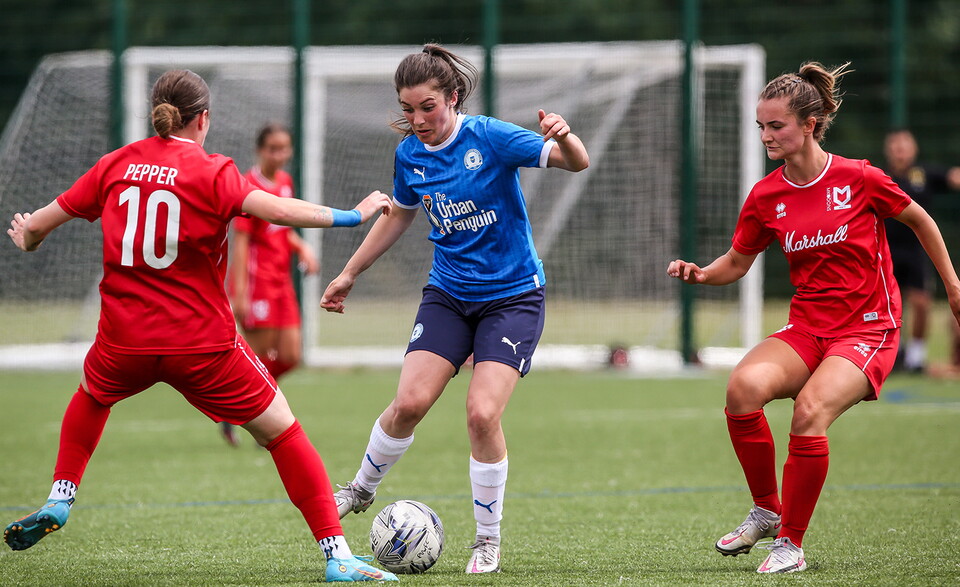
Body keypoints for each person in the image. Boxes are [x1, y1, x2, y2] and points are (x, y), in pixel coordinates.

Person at [3, 69, 397, 583]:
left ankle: (60, 496)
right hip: (202, 345)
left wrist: (25, 238)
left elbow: (34, 227)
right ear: (203, 118)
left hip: (124, 341)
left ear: (156, 113)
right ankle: (337, 556)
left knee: (92, 396)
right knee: (283, 432)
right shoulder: (214, 172)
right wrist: (352, 215)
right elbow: (276, 209)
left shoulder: (114, 165)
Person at [667, 62, 960, 574]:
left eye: (775, 125)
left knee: (809, 412)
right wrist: (701, 274)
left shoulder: (860, 177)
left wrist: (954, 288)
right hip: (807, 328)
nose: (765, 135)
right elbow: (737, 262)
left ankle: (792, 545)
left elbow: (921, 219)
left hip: (869, 326)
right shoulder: (766, 195)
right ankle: (766, 510)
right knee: (741, 390)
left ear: (810, 123)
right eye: (760, 125)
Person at [320, 44, 589, 574]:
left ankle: (487, 540)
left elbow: (575, 163)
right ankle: (360, 488)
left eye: (428, 107)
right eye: (408, 108)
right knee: (409, 404)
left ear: (453, 97)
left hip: (512, 297)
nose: (418, 120)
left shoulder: (489, 136)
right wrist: (350, 273)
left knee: (482, 413)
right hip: (448, 294)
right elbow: (398, 215)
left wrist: (566, 135)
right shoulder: (409, 154)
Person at [220, 123, 317, 447]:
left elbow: (282, 227)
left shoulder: (285, 182)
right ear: (260, 150)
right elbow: (242, 242)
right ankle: (264, 420)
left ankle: (237, 406)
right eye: (273, 148)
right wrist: (240, 293)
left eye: (284, 148)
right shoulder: (248, 186)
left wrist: (301, 246)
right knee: (257, 358)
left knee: (290, 355)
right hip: (257, 283)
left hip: (282, 282)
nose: (279, 155)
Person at [881, 128, 960, 373]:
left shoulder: (924, 174)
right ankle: (893, 354)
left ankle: (916, 357)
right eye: (895, 145)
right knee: (887, 304)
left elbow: (953, 176)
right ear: (888, 150)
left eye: (905, 145)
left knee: (921, 301)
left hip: (917, 250)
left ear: (913, 149)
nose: (900, 150)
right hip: (885, 250)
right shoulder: (879, 177)